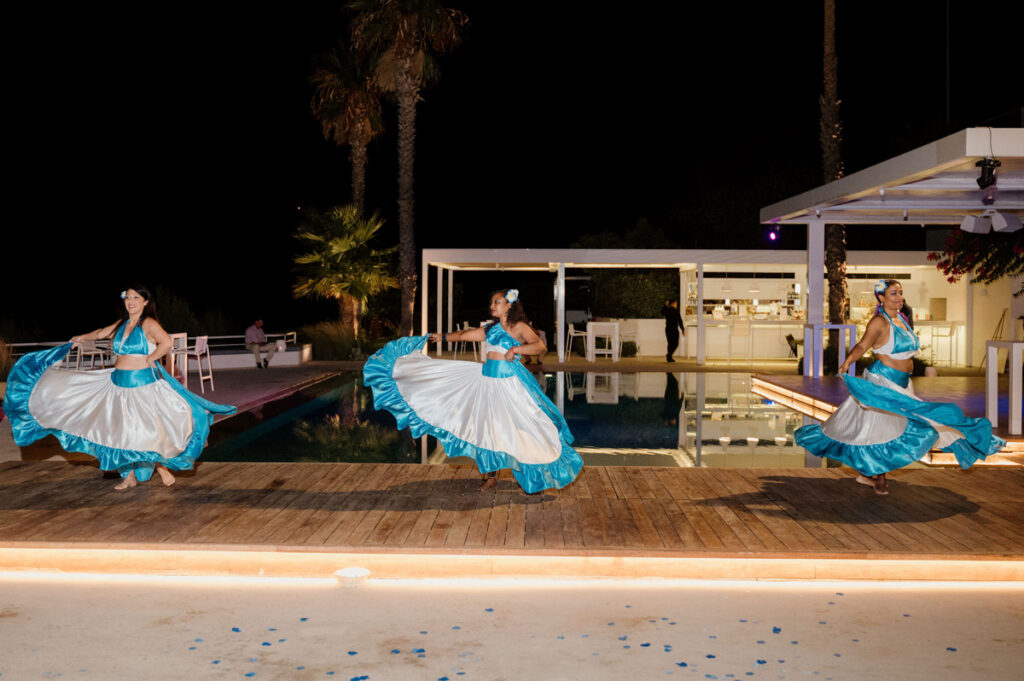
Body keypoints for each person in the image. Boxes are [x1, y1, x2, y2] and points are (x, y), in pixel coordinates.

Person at [2, 286, 236, 490]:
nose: (130, 301)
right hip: (116, 384)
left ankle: (161, 466)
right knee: (118, 432)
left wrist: (151, 358)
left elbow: (166, 342)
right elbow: (100, 333)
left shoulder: (149, 323)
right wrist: (80, 338)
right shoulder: (121, 324)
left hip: (142, 386)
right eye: (127, 298)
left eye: (135, 298)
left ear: (145, 302)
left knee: (147, 431)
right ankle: (129, 477)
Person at [794, 279, 1005, 495]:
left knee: (906, 425)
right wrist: (847, 362)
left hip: (903, 384)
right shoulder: (879, 322)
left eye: (901, 293)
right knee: (884, 430)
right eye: (893, 293)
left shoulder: (902, 319)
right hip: (882, 382)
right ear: (881, 297)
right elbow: (862, 345)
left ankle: (866, 474)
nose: (899, 297)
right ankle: (880, 478)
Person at [363, 288, 583, 493]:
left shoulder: (519, 327)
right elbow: (464, 335)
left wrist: (516, 349)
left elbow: (540, 346)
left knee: (518, 427)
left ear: (509, 306)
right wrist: (443, 337)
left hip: (509, 385)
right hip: (486, 383)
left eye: (497, 302)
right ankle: (490, 476)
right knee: (486, 429)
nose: (492, 306)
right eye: (491, 302)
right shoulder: (490, 329)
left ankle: (532, 473)